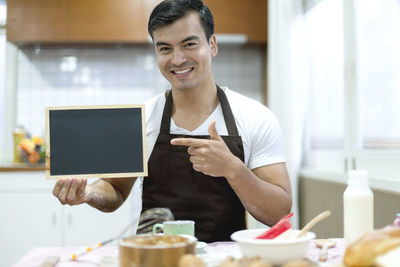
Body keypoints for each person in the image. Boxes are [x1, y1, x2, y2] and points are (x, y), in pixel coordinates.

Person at [52, 0, 292, 243]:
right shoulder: (141, 118)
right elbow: (114, 189)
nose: (177, 59)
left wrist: (233, 169)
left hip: (226, 259)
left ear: (212, 45)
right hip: (153, 257)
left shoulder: (255, 117)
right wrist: (89, 193)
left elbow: (279, 212)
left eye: (189, 44)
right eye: (165, 48)